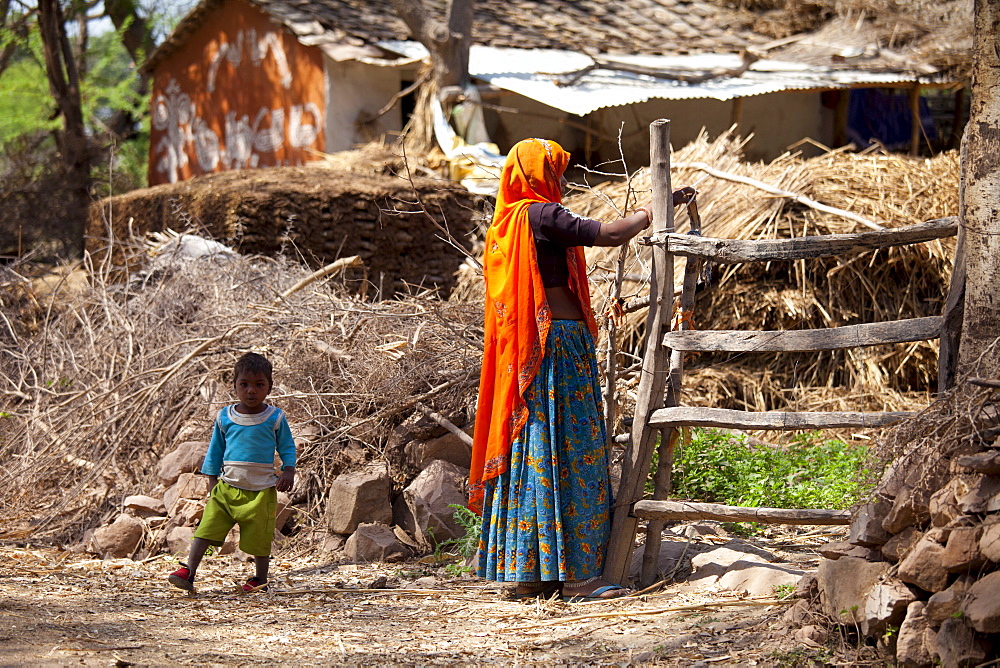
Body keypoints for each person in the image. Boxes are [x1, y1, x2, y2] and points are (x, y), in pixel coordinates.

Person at [469, 138, 692, 603]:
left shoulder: (509, 222)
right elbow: (609, 234)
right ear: (536, 175)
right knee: (572, 451)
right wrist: (655, 211)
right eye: (557, 171)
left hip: (536, 353)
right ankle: (579, 577)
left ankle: (530, 572)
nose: (563, 181)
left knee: (536, 451)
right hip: (556, 350)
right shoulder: (539, 215)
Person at [168, 352, 296, 593]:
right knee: (206, 529)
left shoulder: (275, 418)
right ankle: (188, 572)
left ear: (269, 388)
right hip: (226, 489)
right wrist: (211, 482)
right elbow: (215, 451)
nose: (251, 391)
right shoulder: (225, 417)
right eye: (244, 384)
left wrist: (289, 470)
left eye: (259, 385)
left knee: (260, 537)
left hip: (261, 492)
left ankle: (260, 579)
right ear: (235, 385)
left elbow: (287, 447)